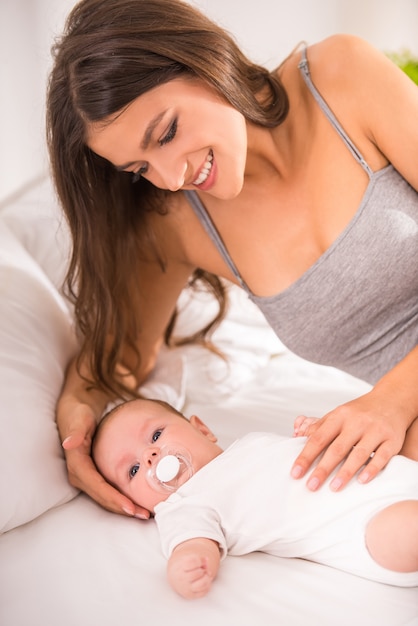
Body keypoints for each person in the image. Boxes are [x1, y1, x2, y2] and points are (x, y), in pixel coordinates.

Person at [46, 0, 418, 521]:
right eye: (139, 168)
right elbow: (119, 359)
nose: (172, 176)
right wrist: (76, 427)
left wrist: (393, 401)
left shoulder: (340, 77)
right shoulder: (177, 222)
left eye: (167, 132)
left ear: (202, 60)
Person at [92, 398, 418, 598]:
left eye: (156, 435)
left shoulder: (250, 442)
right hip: (362, 526)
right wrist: (187, 563)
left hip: (380, 466)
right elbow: (191, 541)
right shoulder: (183, 505)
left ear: (202, 429)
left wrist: (316, 430)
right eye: (133, 470)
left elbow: (313, 452)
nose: (150, 456)